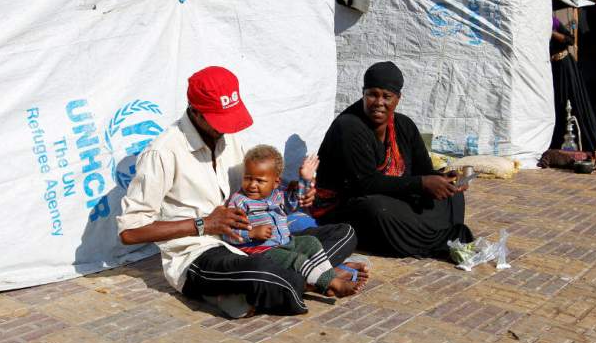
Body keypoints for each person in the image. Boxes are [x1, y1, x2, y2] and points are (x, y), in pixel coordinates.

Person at [117, 66, 368, 318]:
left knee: (344, 233)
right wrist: (204, 224)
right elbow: (129, 233)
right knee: (264, 273)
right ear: (196, 112)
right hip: (200, 254)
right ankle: (316, 275)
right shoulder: (162, 152)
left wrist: (291, 191)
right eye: (219, 121)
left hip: (254, 244)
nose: (225, 129)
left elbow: (254, 191)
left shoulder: (229, 140)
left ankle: (293, 277)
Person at [312, 61, 474, 258]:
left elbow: (422, 170)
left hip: (390, 195)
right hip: (346, 206)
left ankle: (431, 237)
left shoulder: (404, 126)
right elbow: (365, 184)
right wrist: (422, 184)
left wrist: (443, 179)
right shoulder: (349, 127)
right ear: (363, 93)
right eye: (372, 94)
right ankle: (435, 240)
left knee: (452, 196)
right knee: (378, 209)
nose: (379, 102)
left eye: (387, 96)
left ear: (398, 98)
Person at [225, 145, 363, 298]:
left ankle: (328, 281)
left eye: (260, 180)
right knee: (298, 259)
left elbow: (297, 201)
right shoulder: (240, 201)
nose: (252, 185)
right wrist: (251, 233)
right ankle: (336, 284)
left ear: (275, 182)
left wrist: (304, 179)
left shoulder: (277, 195)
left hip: (285, 243)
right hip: (263, 252)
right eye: (248, 178)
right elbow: (228, 232)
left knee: (310, 242)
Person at [550, 14, 596, 152]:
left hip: (564, 67)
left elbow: (570, 39)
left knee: (569, 103)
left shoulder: (553, 22)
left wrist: (550, 33)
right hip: (551, 69)